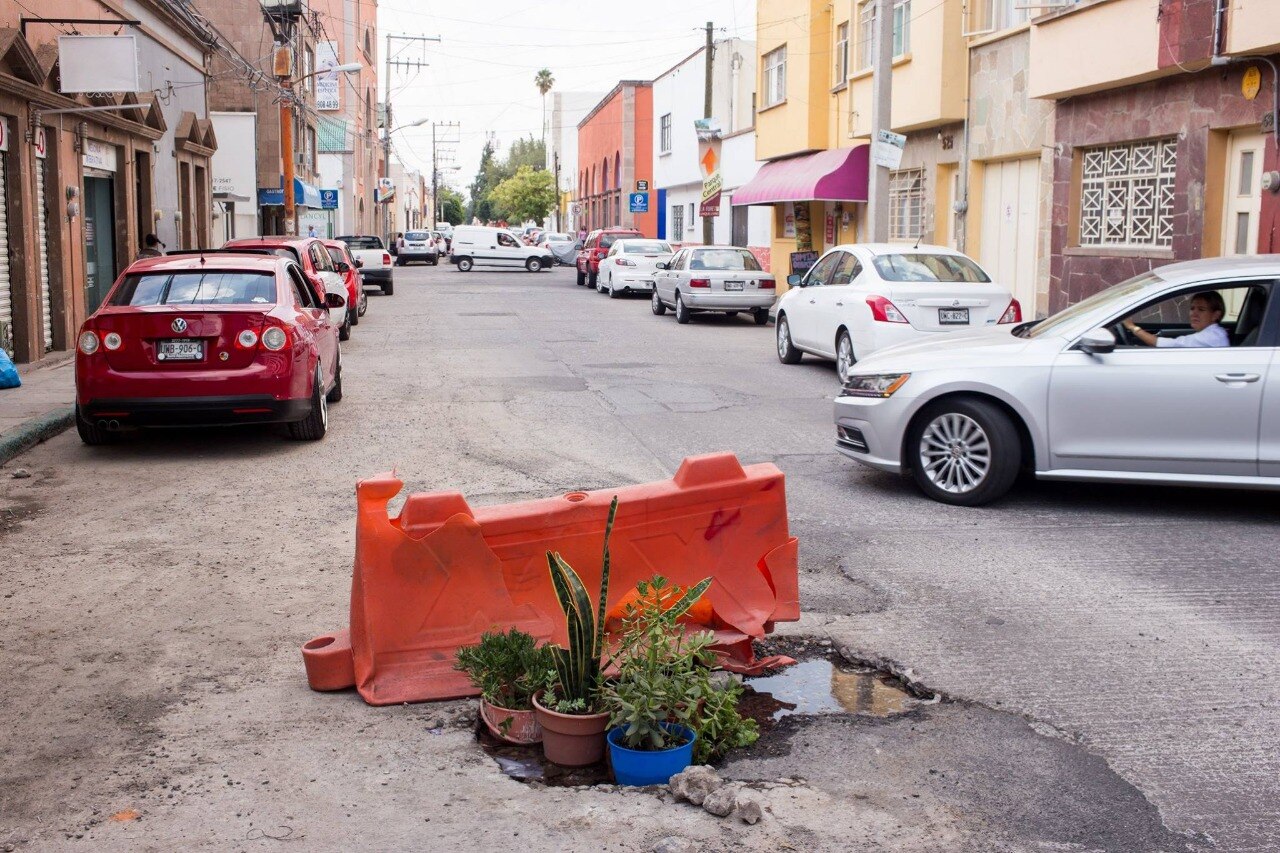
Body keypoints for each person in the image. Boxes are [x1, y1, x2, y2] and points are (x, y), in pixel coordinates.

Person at [1124, 291, 1229, 348]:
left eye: (1201, 309)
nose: (1194, 313)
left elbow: (1168, 345)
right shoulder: (1215, 333)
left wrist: (1132, 327)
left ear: (1216, 315)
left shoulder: (1211, 337)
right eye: (1192, 308)